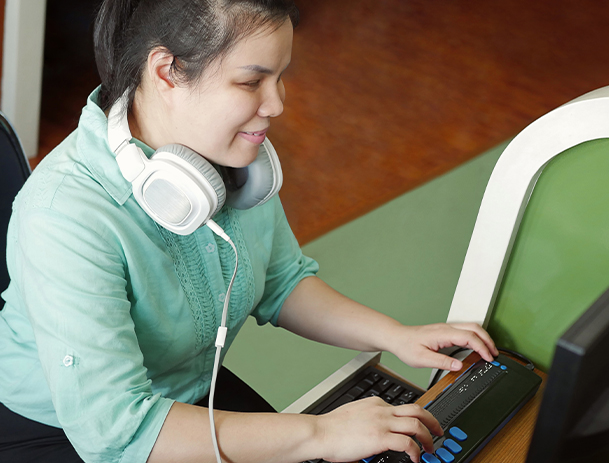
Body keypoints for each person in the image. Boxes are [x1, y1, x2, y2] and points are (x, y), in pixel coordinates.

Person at [0, 1, 498, 462]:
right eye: (250, 82)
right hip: (70, 430)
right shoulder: (62, 216)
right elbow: (118, 431)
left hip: (189, 395)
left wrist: (397, 336)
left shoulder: (230, 164)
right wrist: (321, 433)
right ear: (166, 71)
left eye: (280, 77)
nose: (277, 104)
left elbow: (281, 280)